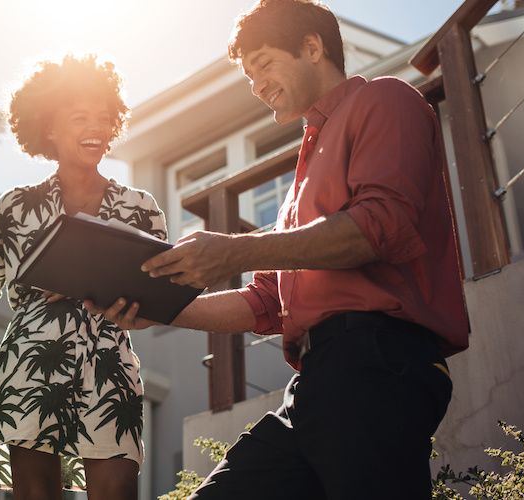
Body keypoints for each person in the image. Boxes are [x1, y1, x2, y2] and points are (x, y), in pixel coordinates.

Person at [87, 1, 469, 498]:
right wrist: (157, 310)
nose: (256, 84)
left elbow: (378, 226)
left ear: (312, 47)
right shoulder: (303, 172)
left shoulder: (386, 100)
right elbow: (267, 302)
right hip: (317, 384)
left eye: (263, 63)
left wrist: (234, 251)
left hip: (379, 365)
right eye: (248, 74)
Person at [0, 54, 166, 500]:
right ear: (49, 127)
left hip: (110, 361)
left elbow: (158, 300)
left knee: (117, 487)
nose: (94, 128)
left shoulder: (141, 208)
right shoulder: (16, 206)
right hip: (30, 363)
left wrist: (97, 282)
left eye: (103, 117)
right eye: (79, 117)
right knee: (35, 492)